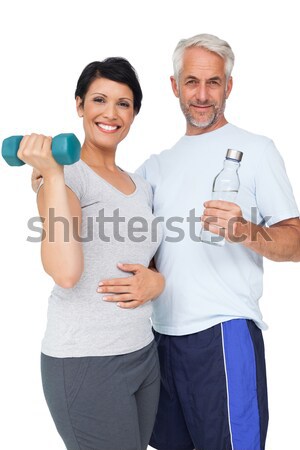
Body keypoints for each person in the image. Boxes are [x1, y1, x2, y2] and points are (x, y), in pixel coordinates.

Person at [91, 34, 300, 450]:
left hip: (223, 333)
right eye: (191, 82)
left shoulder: (257, 151)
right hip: (157, 340)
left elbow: (294, 243)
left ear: (228, 86)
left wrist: (247, 231)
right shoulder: (153, 168)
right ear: (174, 86)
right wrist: (50, 179)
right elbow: (108, 220)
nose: (202, 95)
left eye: (213, 83)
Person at [23, 57, 165, 450]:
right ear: (79, 105)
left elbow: (147, 259)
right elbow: (65, 271)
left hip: (142, 352)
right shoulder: (66, 177)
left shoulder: (141, 184)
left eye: (124, 103)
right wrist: (50, 174)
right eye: (99, 99)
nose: (111, 113)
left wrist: (158, 281)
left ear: (134, 114)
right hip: (85, 361)